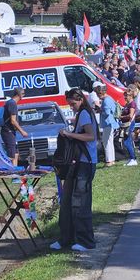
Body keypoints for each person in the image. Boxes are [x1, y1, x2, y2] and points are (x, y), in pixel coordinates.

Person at [51, 88, 98, 251]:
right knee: (67, 202)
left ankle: (85, 241)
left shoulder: (84, 113)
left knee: (80, 203)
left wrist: (70, 135)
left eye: (73, 104)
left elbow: (91, 136)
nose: (71, 107)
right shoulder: (82, 113)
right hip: (78, 163)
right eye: (69, 104)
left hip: (85, 163)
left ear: (80, 100)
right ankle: (67, 239)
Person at [0, 88, 28, 165]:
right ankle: (11, 170)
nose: (23, 95)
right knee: (11, 155)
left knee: (15, 153)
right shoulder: (12, 104)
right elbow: (13, 120)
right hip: (8, 131)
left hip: (10, 131)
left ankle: (15, 169)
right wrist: (22, 131)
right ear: (19, 94)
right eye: (23, 94)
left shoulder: (10, 102)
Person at [95, 84, 119, 167]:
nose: (97, 96)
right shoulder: (109, 98)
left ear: (100, 93)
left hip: (108, 123)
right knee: (109, 142)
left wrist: (100, 110)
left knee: (106, 142)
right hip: (111, 123)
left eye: (97, 94)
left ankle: (109, 161)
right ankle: (112, 160)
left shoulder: (106, 100)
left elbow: (107, 113)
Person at [120, 87, 138, 166]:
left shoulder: (132, 104)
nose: (125, 97)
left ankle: (133, 158)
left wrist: (121, 117)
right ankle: (131, 158)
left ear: (131, 96)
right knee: (127, 141)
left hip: (129, 124)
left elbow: (130, 115)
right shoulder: (127, 104)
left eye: (126, 95)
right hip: (125, 124)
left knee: (127, 142)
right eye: (124, 95)